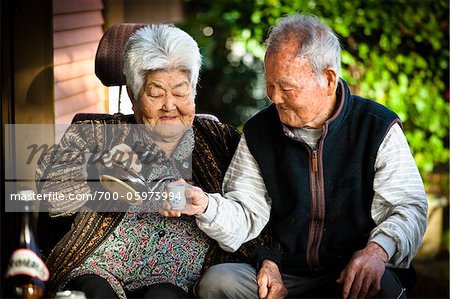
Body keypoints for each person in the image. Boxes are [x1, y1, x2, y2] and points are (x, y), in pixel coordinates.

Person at [165, 14, 428, 299]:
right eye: (270, 85)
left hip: (352, 272)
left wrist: (377, 252)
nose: (274, 98)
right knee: (218, 282)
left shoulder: (376, 127)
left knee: (378, 288)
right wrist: (205, 205)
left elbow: (409, 208)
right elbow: (245, 215)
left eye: (286, 88)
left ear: (328, 79)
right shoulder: (259, 132)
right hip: (284, 274)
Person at [36, 24, 275, 299]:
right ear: (133, 95)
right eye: (156, 93)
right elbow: (49, 193)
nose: (169, 105)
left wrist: (267, 258)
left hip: (181, 282)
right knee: (92, 292)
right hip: (98, 270)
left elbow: (256, 214)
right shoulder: (93, 133)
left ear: (194, 91)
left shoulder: (221, 140)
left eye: (180, 91)